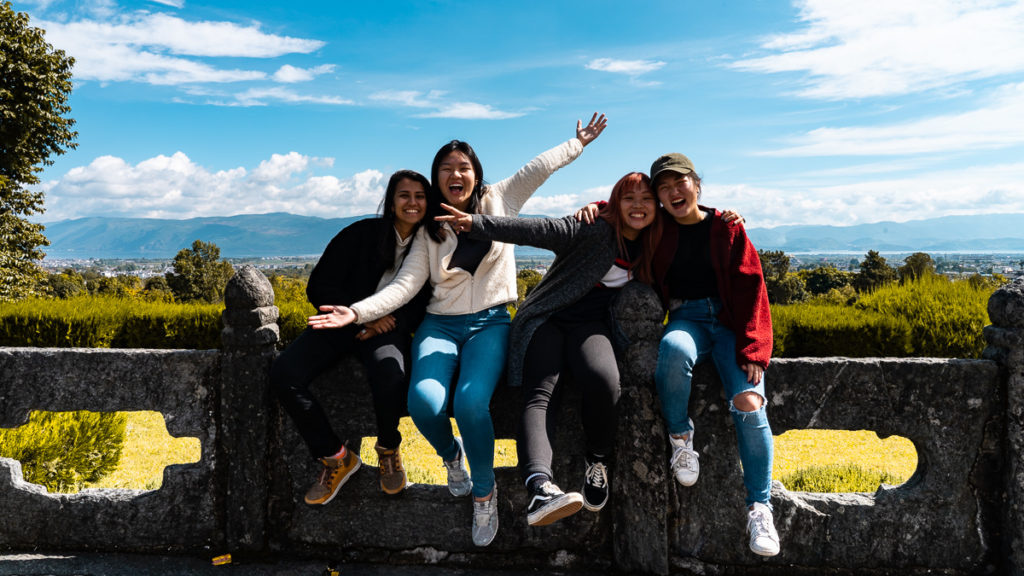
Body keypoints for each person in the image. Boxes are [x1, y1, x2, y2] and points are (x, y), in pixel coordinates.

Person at [307, 113, 608, 546]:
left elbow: (538, 167)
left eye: (463, 167)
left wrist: (576, 143)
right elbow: (404, 286)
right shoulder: (430, 231)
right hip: (439, 325)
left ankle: (484, 494)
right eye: (446, 168)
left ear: (476, 174)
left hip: (490, 322)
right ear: (436, 178)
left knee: (470, 402)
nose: (455, 174)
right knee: (423, 402)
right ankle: (453, 457)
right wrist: (355, 312)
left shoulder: (500, 199)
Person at [437, 171, 660, 527]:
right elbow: (536, 230)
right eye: (628, 198)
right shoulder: (593, 229)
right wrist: (475, 223)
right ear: (615, 202)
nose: (637, 206)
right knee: (540, 393)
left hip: (591, 327)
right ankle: (540, 487)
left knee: (604, 381)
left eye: (646, 199)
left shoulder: (656, 244)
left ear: (657, 206)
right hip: (549, 317)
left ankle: (597, 461)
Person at [271, 169, 432, 504]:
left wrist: (390, 322)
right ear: (391, 202)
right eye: (404, 195)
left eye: (420, 196)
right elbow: (319, 285)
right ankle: (336, 457)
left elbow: (427, 300)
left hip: (388, 329)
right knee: (283, 373)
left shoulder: (432, 245)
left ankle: (388, 448)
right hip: (342, 323)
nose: (412, 203)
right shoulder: (359, 234)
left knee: (391, 374)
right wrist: (359, 317)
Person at [647, 153, 779, 557]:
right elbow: (622, 209)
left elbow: (752, 285)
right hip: (686, 317)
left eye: (679, 183)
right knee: (671, 350)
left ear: (696, 184)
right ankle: (681, 439)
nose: (673, 192)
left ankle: (760, 507)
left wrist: (755, 347)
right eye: (664, 188)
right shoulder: (658, 230)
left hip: (729, 325)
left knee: (750, 403)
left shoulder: (726, 228)